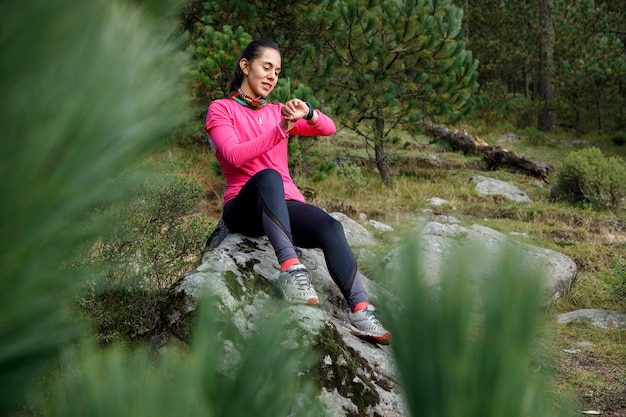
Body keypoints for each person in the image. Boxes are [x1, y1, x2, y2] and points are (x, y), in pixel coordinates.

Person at [204, 39, 391, 345]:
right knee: (268, 177)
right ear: (245, 66)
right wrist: (281, 131)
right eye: (266, 67)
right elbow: (234, 155)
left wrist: (308, 112)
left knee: (330, 225)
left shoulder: (280, 112)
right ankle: (292, 272)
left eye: (276, 72)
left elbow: (327, 128)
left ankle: (360, 310)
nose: (272, 76)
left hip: (283, 206)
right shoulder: (221, 110)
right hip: (243, 206)